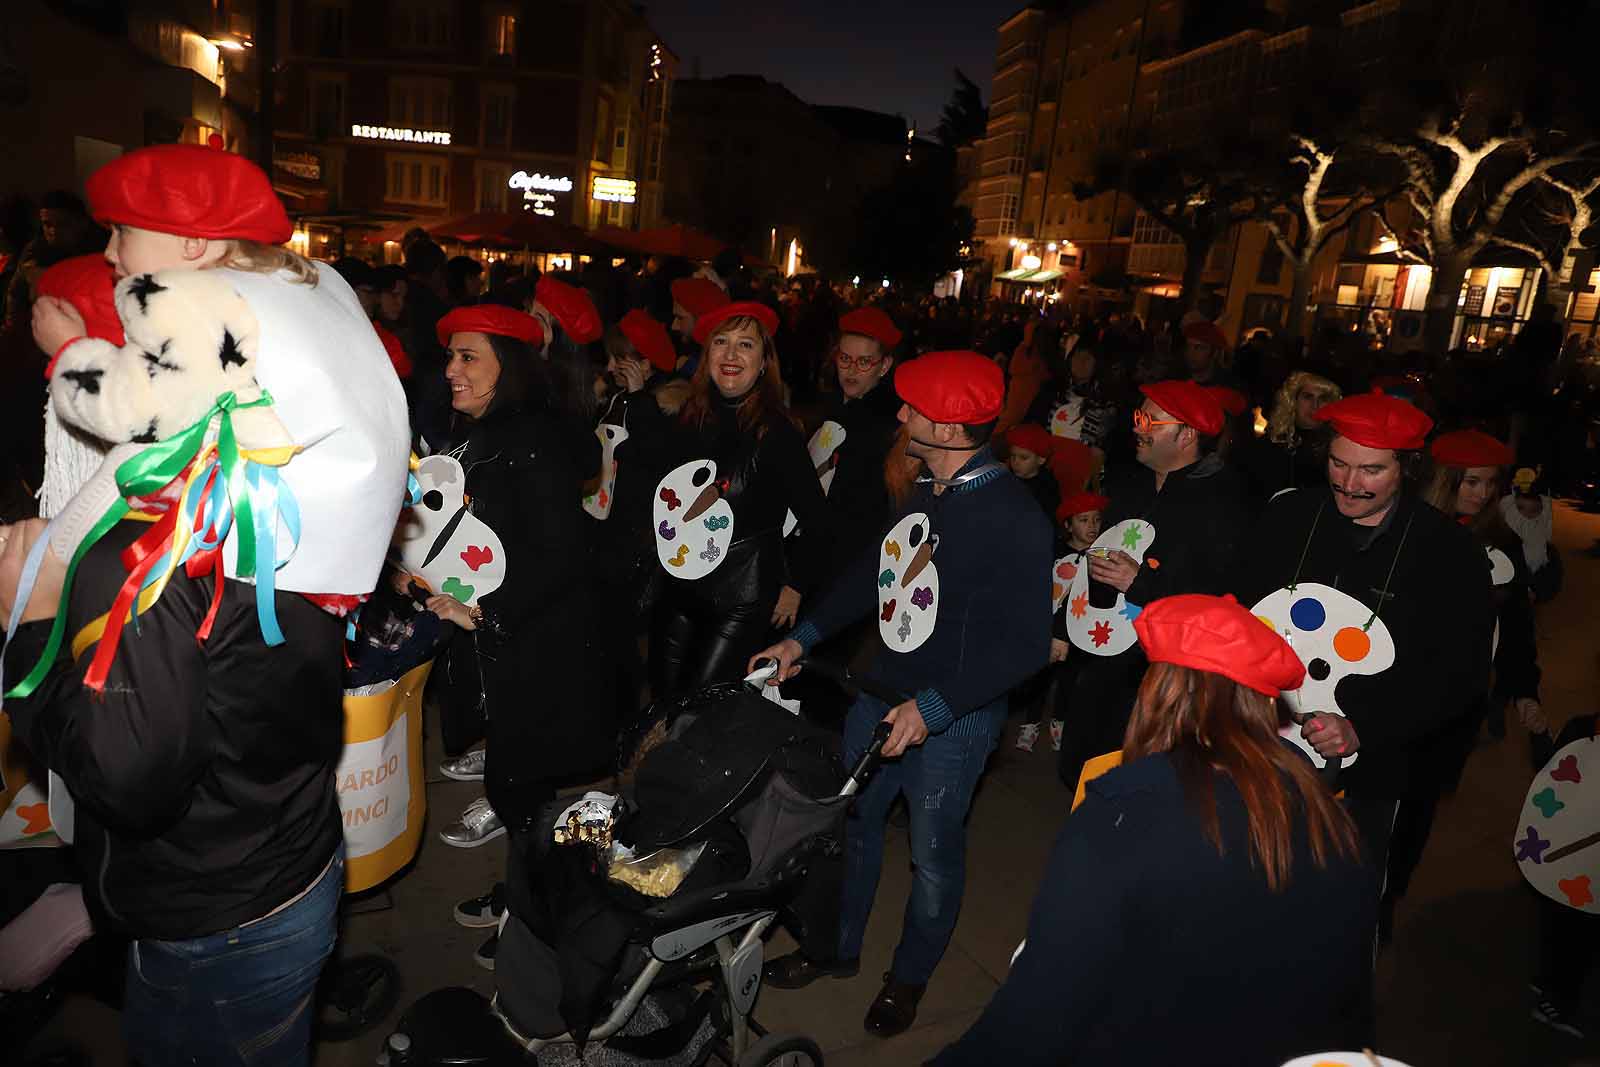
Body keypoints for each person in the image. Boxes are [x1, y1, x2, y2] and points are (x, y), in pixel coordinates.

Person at [4, 142, 408, 1066]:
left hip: (221, 921)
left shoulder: (154, 545)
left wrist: (28, 622)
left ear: (191, 246)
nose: (111, 252)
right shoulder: (307, 302)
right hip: (289, 863)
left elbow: (133, 777)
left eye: (123, 231)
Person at [931, 594, 1375, 1066]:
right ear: (1264, 704)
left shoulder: (1126, 816)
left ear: (1158, 690)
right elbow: (1345, 1002)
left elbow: (1037, 1013)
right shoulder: (1327, 815)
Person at [752, 351, 1052, 1038]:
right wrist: (804, 637)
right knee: (848, 832)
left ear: (948, 427)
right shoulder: (929, 491)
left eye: (913, 407)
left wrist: (935, 708)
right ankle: (834, 948)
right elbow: (873, 577)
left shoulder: (1015, 516)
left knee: (933, 857)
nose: (901, 414)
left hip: (954, 721)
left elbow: (1024, 646)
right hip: (877, 695)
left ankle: (908, 977)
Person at [408, 304, 609, 967]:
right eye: (451, 356)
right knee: (517, 793)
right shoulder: (485, 431)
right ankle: (525, 901)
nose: (451, 371)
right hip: (512, 644)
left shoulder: (532, 440)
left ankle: (538, 930)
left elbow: (559, 556)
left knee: (525, 798)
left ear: (510, 368)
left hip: (541, 651)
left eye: (469, 358)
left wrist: (487, 615)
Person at [1235, 391, 1495, 875]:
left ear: (1408, 469)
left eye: (1371, 470)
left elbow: (1458, 678)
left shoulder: (1451, 553)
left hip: (1373, 774)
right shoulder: (1285, 519)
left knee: (1340, 898)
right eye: (1338, 464)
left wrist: (1363, 727)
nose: (1349, 484)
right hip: (1260, 745)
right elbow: (1239, 614)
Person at [1057, 380, 1252, 790]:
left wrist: (1143, 583)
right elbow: (1098, 560)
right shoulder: (1131, 483)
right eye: (1137, 416)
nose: (1137, 426)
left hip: (1167, 677)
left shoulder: (1223, 501)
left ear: (1187, 435)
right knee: (1084, 771)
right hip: (1106, 656)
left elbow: (1221, 595)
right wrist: (1064, 627)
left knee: (1140, 787)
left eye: (1150, 420)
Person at [1382, 429, 1537, 937]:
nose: (1481, 494)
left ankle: (1388, 899)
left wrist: (1523, 687)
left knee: (1419, 806)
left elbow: (1517, 626)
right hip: (1392, 683)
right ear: (1445, 480)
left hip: (1456, 697)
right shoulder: (1405, 528)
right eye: (1470, 482)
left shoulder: (1502, 544)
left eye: (1490, 485)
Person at [649, 301, 836, 699]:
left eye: (746, 345)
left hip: (741, 594)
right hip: (680, 584)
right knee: (661, 706)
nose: (731, 355)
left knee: (699, 711)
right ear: (707, 355)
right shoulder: (687, 418)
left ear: (765, 361)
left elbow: (819, 521)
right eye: (721, 342)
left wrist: (795, 585)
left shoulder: (778, 431)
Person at [1017, 491, 1106, 754]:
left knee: (1070, 679)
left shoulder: (1101, 556)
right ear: (1068, 525)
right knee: (1039, 679)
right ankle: (1030, 725)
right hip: (1048, 626)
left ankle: (1060, 725)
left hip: (1079, 628)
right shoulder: (1053, 551)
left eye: (1096, 520)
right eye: (1083, 520)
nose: (1091, 526)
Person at [1243, 369, 1341, 500]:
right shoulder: (1271, 444)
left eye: (1323, 398)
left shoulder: (1340, 447)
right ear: (1293, 400)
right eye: (1308, 397)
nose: (1315, 405)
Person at [1500, 466, 1561, 602]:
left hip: (1536, 567)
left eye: (1534, 510)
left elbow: (1547, 533)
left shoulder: (1545, 504)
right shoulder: (1506, 503)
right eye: (1521, 508)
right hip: (1510, 565)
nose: (1527, 515)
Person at [1000, 423, 1062, 522]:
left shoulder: (1047, 488)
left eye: (1023, 458)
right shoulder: (1005, 475)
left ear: (1041, 460)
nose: (1015, 462)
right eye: (1013, 456)